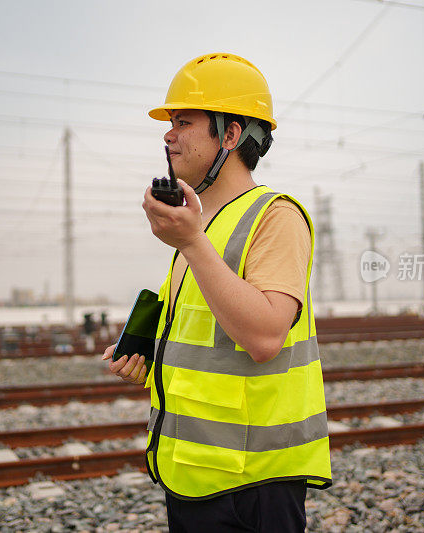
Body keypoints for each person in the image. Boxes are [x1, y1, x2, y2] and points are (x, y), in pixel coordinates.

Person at [102, 52, 331, 532]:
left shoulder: (276, 216)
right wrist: (148, 357)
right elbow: (207, 344)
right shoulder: (204, 227)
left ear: (231, 135)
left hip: (254, 485)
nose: (168, 134)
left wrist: (190, 241)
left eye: (184, 122)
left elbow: (266, 337)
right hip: (195, 476)